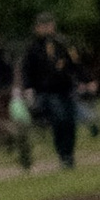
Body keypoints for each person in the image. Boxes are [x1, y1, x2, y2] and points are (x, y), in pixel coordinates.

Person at [21, 13, 86, 169]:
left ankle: (69, 154)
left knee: (69, 122)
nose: (47, 29)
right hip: (47, 91)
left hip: (66, 88)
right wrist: (29, 89)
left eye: (49, 25)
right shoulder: (33, 48)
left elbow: (75, 63)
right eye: (44, 26)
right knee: (60, 119)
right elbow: (27, 71)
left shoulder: (63, 43)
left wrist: (86, 80)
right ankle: (63, 154)